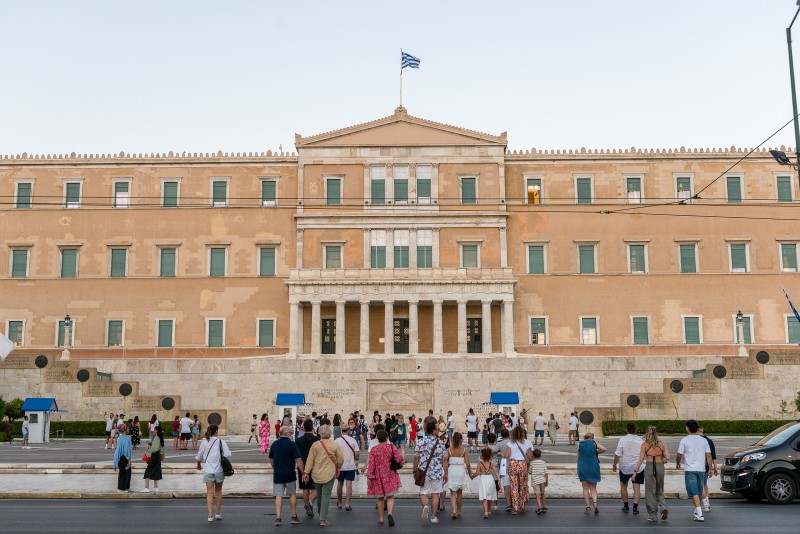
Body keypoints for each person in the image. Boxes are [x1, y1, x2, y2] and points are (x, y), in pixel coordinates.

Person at [303, 424, 343, 527]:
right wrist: (337, 466)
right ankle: (323, 519)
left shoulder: (315, 445)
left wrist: (306, 472)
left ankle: (321, 514)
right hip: (329, 473)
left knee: (319, 496)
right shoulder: (334, 444)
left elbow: (310, 460)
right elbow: (341, 459)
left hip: (316, 474)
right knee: (326, 496)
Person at [676, 419, 713, 523]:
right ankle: (697, 511)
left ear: (687, 428)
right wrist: (710, 468)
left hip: (690, 469)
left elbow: (679, 454)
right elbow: (708, 455)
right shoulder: (704, 440)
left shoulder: (684, 440)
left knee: (694, 492)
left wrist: (678, 462)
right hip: (701, 469)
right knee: (699, 490)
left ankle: (699, 514)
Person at [414, 419, 448, 525]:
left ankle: (425, 507)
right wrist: (445, 473)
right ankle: (433, 516)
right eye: (437, 429)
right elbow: (444, 460)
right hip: (437, 472)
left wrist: (414, 471)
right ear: (433, 431)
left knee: (423, 493)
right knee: (435, 494)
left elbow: (416, 457)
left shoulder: (420, 441)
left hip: (424, 472)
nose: (438, 431)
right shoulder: (441, 443)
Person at [367, 429, 404, 526]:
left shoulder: (374, 449)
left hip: (378, 475)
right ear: (387, 438)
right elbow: (399, 459)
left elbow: (371, 465)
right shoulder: (391, 447)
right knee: (390, 496)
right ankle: (390, 513)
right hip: (390, 474)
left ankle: (381, 518)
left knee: (380, 498)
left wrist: (369, 477)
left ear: (378, 439)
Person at [633, 425, 670, 523]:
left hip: (649, 467)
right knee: (660, 489)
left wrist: (635, 471)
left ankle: (653, 515)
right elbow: (668, 457)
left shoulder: (645, 444)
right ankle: (663, 508)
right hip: (660, 466)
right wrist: (663, 459)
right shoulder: (661, 443)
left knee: (650, 491)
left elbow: (641, 459)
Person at [196, 424, 232, 522]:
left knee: (209, 492)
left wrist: (198, 464)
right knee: (218, 491)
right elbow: (228, 454)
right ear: (216, 431)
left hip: (208, 470)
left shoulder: (204, 442)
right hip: (219, 470)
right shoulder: (221, 442)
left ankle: (210, 515)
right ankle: (218, 512)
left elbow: (199, 455)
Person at [269, 425, 303, 526]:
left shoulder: (274, 444)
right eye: (291, 432)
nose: (291, 434)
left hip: (278, 474)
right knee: (292, 494)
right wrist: (304, 472)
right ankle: (293, 516)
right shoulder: (292, 445)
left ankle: (278, 518)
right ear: (286, 433)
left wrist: (275, 468)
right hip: (289, 474)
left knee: (278, 495)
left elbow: (271, 459)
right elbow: (298, 459)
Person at [612, 422, 645, 515]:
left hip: (625, 466)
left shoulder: (622, 439)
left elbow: (618, 454)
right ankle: (635, 508)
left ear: (627, 429)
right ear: (636, 429)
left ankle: (626, 506)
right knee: (637, 487)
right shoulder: (641, 441)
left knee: (623, 485)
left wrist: (614, 464)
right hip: (637, 467)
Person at [502, 425, 532, 514]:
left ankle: (515, 507)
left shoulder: (510, 444)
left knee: (514, 486)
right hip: (522, 464)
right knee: (522, 486)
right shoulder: (526, 443)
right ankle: (522, 505)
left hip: (513, 464)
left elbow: (507, 456)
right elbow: (530, 456)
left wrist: (501, 454)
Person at [577, 432, 606, 514]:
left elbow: (578, 455)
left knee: (585, 488)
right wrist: (596, 452)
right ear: (591, 438)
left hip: (583, 467)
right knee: (593, 488)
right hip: (593, 466)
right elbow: (604, 449)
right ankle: (595, 503)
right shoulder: (594, 443)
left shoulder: (579, 444)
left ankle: (588, 506)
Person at [296, 419, 320, 518]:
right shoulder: (317, 439)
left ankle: (307, 506)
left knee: (305, 487)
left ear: (304, 428)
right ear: (312, 428)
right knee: (316, 487)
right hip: (314, 465)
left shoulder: (298, 440)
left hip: (302, 465)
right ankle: (309, 503)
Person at [334, 420, 360, 511]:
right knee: (349, 484)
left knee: (339, 484)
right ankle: (347, 504)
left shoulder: (337, 441)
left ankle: (340, 502)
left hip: (340, 466)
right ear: (348, 430)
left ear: (341, 430)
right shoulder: (352, 440)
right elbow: (356, 454)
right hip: (350, 466)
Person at [445, 432, 471, 519]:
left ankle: (454, 511)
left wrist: (445, 472)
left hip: (452, 470)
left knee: (452, 492)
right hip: (460, 470)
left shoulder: (448, 450)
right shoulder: (464, 450)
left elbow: (445, 461)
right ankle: (459, 510)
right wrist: (470, 473)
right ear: (460, 440)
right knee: (459, 492)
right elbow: (467, 463)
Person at [471, 447, 499, 519]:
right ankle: (489, 510)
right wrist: (499, 481)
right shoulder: (491, 464)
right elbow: (496, 473)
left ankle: (486, 512)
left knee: (484, 496)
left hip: (483, 479)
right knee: (489, 495)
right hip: (490, 479)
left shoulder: (480, 464)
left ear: (482, 456)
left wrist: (472, 477)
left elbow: (477, 473)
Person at [698, 426, 718, 513]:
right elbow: (713, 455)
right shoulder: (709, 440)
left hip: (699, 465)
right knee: (704, 483)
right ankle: (707, 502)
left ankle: (705, 503)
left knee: (700, 484)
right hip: (707, 465)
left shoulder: (699, 441)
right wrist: (714, 467)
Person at [491, 429, 512, 511]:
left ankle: (509, 504)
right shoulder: (513, 443)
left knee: (507, 486)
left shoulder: (500, 444)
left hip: (504, 466)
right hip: (514, 465)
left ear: (501, 436)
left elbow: (492, 452)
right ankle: (516, 502)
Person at [141, 424, 164, 493]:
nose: (153, 431)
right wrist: (151, 444)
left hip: (154, 456)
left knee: (148, 471)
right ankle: (156, 487)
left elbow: (154, 449)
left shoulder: (156, 438)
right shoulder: (159, 437)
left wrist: (149, 446)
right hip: (157, 457)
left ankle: (146, 488)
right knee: (156, 470)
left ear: (156, 431)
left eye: (154, 429)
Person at [529, 448, 548, 514]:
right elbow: (546, 473)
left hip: (535, 481)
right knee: (542, 493)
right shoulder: (543, 463)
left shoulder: (532, 463)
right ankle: (544, 507)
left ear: (533, 455)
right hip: (543, 480)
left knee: (537, 495)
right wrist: (546, 481)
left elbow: (530, 471)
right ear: (540, 455)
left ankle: (539, 507)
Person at [114, 423, 132, 492]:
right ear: (124, 430)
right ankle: (121, 488)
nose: (128, 429)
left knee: (125, 472)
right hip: (124, 458)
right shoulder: (125, 439)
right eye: (127, 428)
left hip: (120, 458)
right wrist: (129, 461)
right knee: (124, 473)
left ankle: (126, 487)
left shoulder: (120, 437)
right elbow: (127, 451)